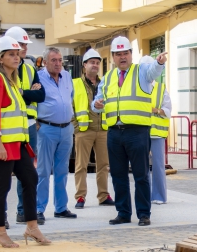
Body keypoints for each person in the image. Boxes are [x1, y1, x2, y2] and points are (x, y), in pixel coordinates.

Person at [0, 36, 51, 248]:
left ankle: (31, 227)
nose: (17, 57)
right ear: (0, 58)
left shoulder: (12, 81)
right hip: (2, 145)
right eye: (11, 54)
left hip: (17, 144)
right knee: (1, 187)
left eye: (17, 53)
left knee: (30, 179)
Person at [92, 37, 167, 226]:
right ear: (113, 57)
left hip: (137, 132)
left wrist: (159, 63)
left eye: (125, 53)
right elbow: (97, 102)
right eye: (118, 54)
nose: (122, 57)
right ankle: (123, 212)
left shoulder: (141, 71)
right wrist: (97, 104)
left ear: (131, 55)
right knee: (118, 174)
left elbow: (153, 72)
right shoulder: (108, 77)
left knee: (141, 174)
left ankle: (143, 213)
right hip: (115, 132)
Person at [3, 26, 46, 225]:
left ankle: (23, 211)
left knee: (27, 171)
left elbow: (41, 95)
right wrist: (27, 92)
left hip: (28, 125)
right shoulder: (0, 72)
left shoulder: (29, 68)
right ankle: (1, 213)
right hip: (8, 126)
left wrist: (23, 93)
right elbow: (8, 97)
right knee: (3, 173)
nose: (24, 48)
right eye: (20, 45)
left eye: (25, 45)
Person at [35, 47, 77, 223]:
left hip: (66, 129)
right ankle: (38, 209)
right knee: (43, 171)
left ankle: (60, 208)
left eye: (60, 60)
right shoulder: (38, 77)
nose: (58, 63)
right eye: (54, 60)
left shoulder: (66, 76)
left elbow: (71, 97)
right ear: (45, 62)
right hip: (46, 129)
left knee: (62, 170)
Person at [72, 49, 115, 209]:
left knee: (103, 165)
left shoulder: (104, 83)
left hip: (103, 129)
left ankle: (103, 196)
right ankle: (80, 196)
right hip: (84, 130)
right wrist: (76, 126)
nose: (95, 65)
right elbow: (71, 107)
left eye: (97, 63)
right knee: (81, 165)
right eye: (92, 62)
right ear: (84, 65)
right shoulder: (75, 83)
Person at [139, 55, 171, 205]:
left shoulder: (160, 88)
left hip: (156, 133)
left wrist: (155, 110)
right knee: (142, 166)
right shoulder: (137, 87)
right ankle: (145, 196)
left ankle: (159, 196)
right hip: (139, 132)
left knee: (158, 165)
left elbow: (168, 110)